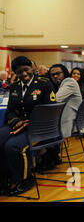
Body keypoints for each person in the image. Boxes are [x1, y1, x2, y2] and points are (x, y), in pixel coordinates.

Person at [0, 56, 56, 196]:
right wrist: (15, 122)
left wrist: (29, 122)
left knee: (13, 146)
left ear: (32, 68)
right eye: (19, 72)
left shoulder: (44, 83)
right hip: (18, 124)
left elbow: (51, 110)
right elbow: (10, 111)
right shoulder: (14, 87)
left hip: (38, 127)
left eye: (26, 70)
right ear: (15, 74)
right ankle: (4, 177)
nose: (24, 74)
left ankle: (24, 179)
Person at [49, 64, 82, 139]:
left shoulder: (70, 82)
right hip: (65, 118)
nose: (55, 76)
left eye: (58, 73)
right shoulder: (61, 84)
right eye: (52, 75)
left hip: (70, 120)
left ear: (64, 73)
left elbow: (56, 99)